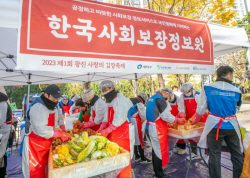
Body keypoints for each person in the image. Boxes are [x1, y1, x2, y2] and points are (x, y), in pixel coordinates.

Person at [194, 66, 244, 178]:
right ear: (228, 76)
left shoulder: (207, 87)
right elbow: (237, 109)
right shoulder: (236, 90)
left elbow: (201, 109)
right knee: (237, 154)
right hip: (231, 126)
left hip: (214, 126)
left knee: (214, 155)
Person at [21, 85, 70, 178]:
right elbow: (40, 129)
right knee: (36, 172)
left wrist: (60, 130)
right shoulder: (38, 107)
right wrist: (57, 133)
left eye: (57, 98)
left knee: (46, 171)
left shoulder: (53, 107)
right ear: (46, 95)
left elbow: (55, 123)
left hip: (46, 144)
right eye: (54, 98)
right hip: (35, 146)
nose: (56, 100)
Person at [97, 80, 134, 178]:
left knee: (122, 159)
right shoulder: (110, 101)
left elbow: (119, 118)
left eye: (105, 89)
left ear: (112, 88)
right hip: (113, 135)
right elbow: (106, 116)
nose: (104, 92)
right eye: (102, 90)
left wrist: (107, 130)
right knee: (114, 158)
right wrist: (102, 126)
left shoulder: (120, 100)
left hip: (123, 134)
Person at [145, 88, 185, 178]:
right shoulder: (161, 99)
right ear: (165, 93)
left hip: (150, 126)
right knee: (158, 151)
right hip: (156, 128)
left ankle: (156, 171)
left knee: (155, 150)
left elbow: (158, 113)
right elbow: (165, 116)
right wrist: (176, 120)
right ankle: (159, 174)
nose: (169, 97)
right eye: (169, 95)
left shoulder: (153, 97)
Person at [178, 82, 201, 159]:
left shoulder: (198, 95)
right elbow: (181, 107)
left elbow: (201, 108)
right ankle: (194, 153)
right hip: (189, 118)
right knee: (192, 136)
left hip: (200, 117)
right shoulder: (182, 97)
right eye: (184, 92)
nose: (186, 93)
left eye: (187, 92)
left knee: (204, 137)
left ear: (191, 89)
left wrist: (196, 116)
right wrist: (182, 114)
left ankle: (207, 154)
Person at [129, 93, 151, 163]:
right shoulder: (139, 103)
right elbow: (143, 116)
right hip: (136, 121)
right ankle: (142, 158)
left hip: (129, 121)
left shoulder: (131, 100)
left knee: (134, 139)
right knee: (140, 139)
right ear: (144, 98)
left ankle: (136, 156)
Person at [0, 92, 12, 178]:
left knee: (1, 154)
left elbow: (1, 119)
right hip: (3, 131)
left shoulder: (2, 102)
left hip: (2, 132)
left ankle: (2, 174)